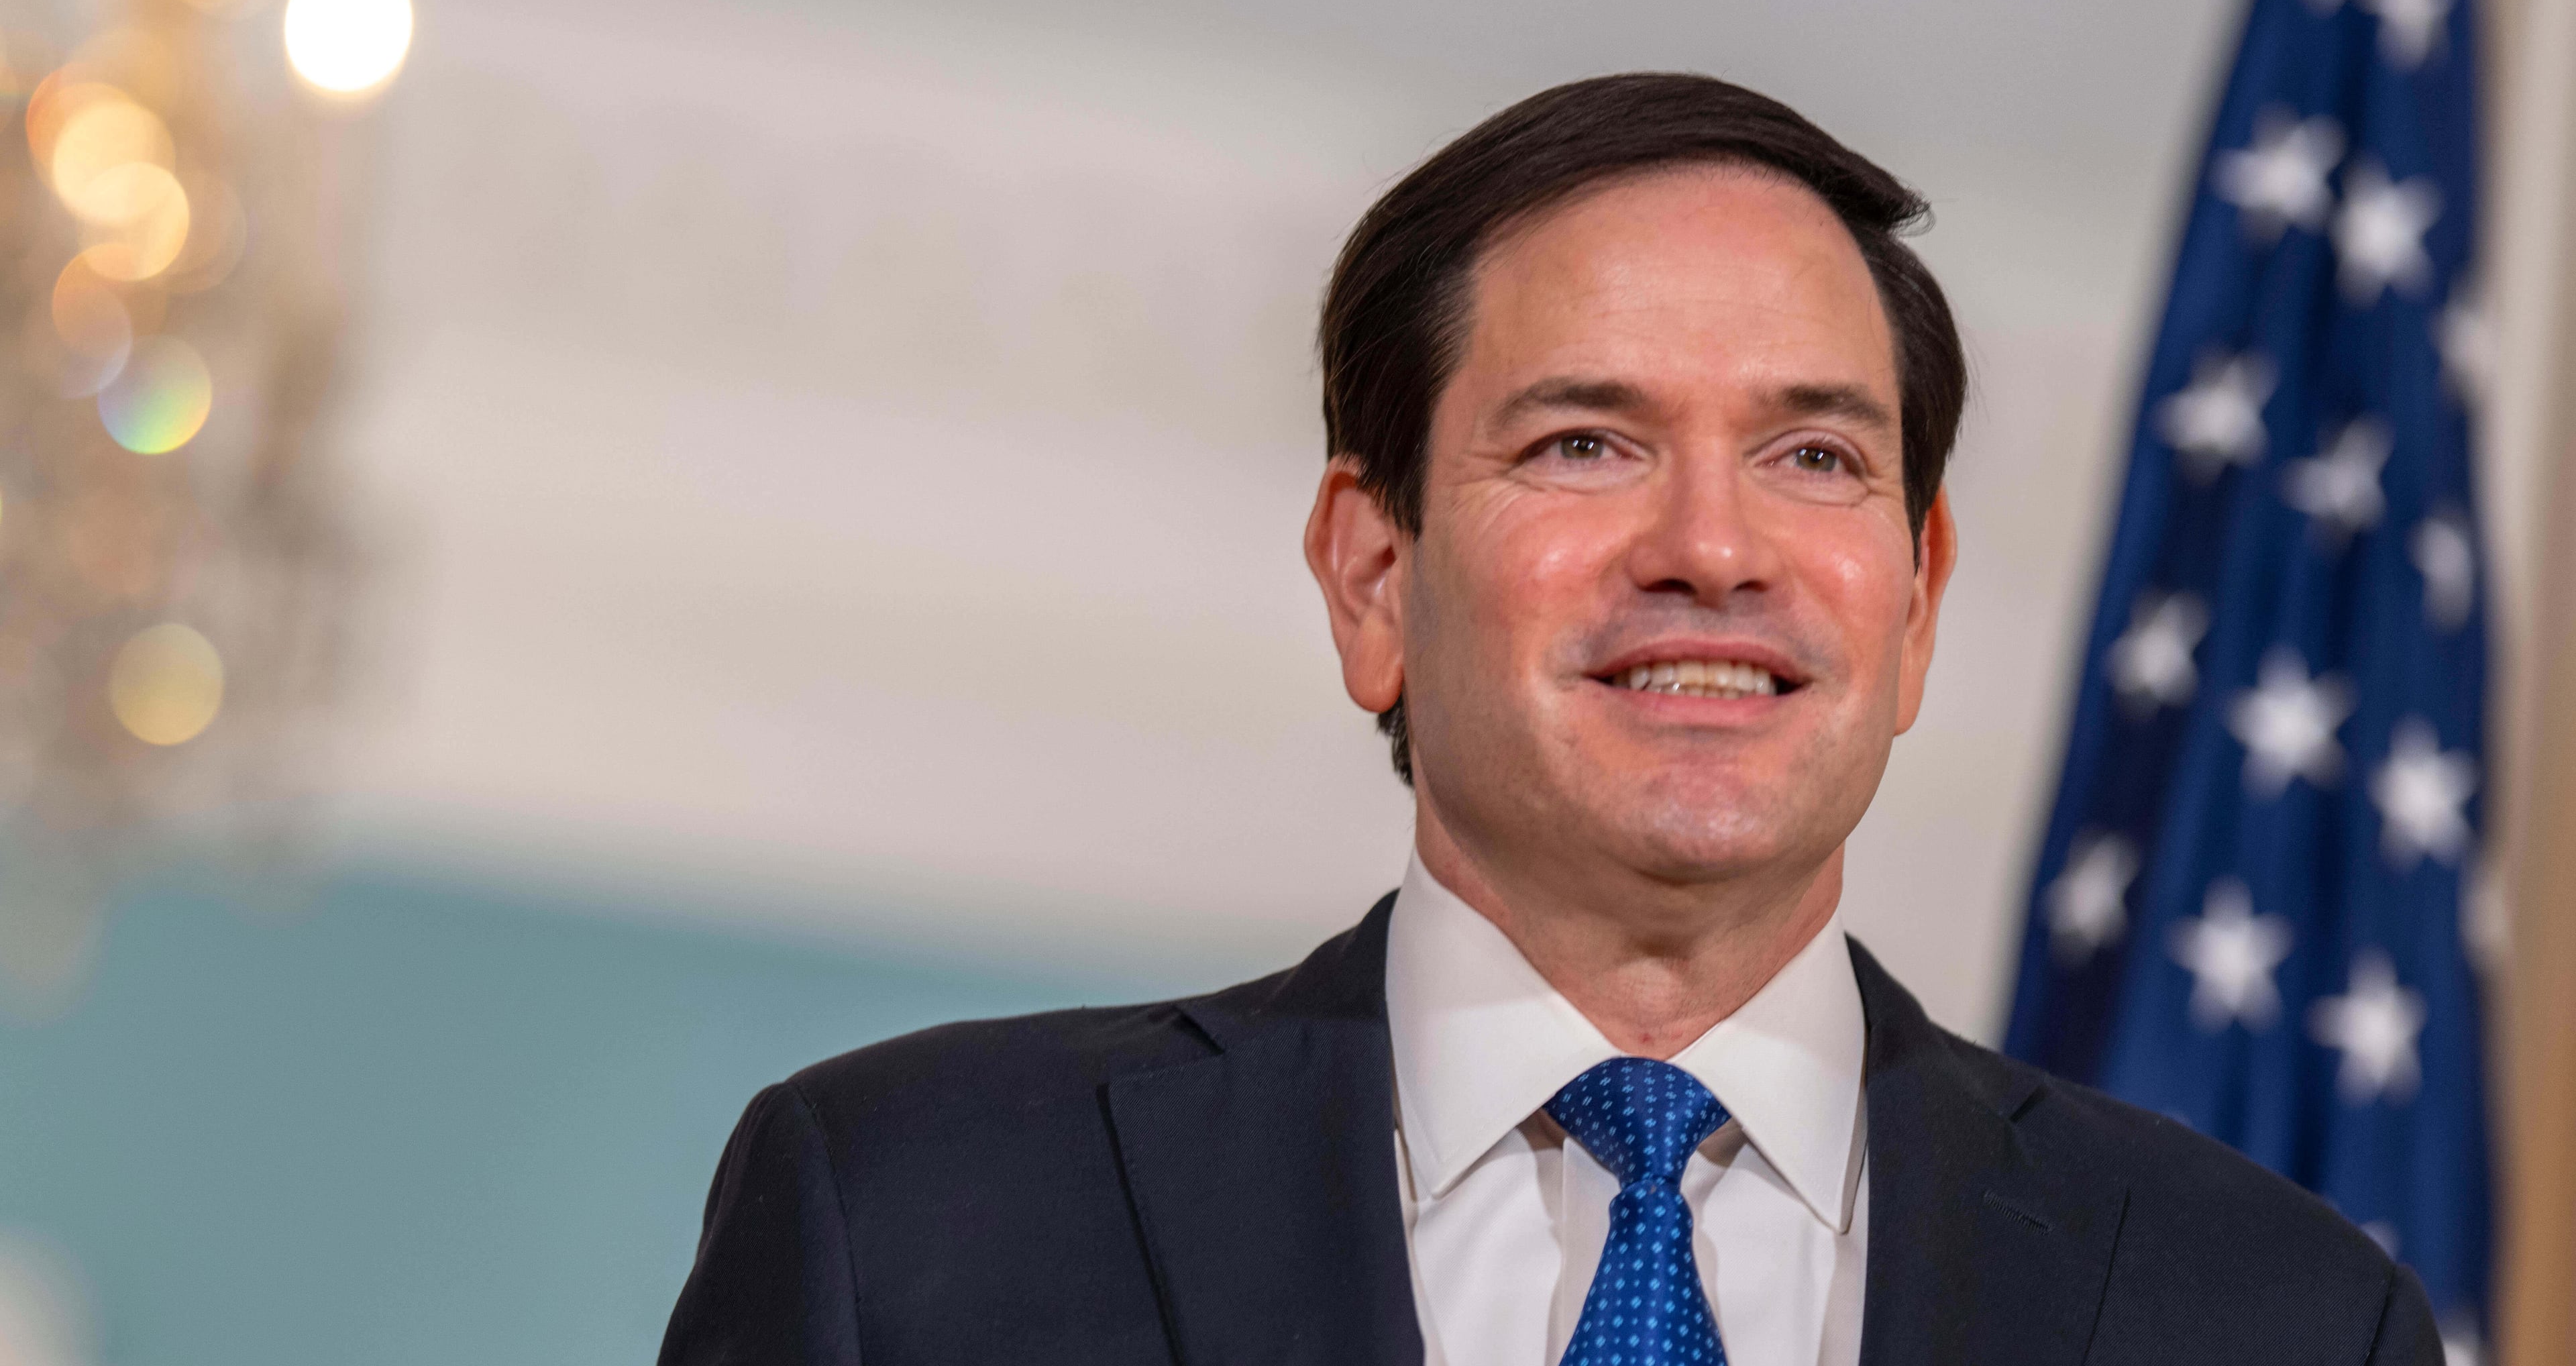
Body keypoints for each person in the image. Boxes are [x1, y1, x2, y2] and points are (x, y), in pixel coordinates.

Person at [658, 73, 2440, 1366]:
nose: (1713, 549)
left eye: (1814, 456)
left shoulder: (2276, 1316)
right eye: (1587, 442)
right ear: (1372, 577)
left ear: (1918, 602)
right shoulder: (910, 1215)